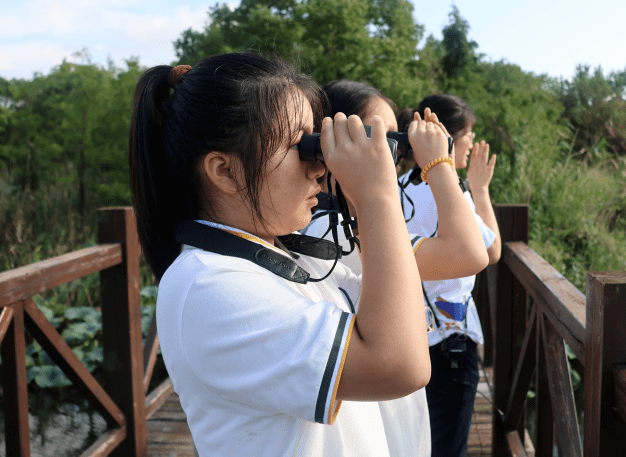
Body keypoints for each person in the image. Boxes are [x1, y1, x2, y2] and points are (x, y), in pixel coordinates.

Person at [128, 52, 436, 456]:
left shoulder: (286, 255)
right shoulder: (207, 286)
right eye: (300, 146)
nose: (319, 168)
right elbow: (400, 365)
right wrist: (378, 194)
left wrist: (366, 198)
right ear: (225, 171)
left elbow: (400, 320)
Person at [302, 80, 489, 457]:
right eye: (378, 139)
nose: (391, 154)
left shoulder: (349, 227)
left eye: (394, 142)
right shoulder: (332, 233)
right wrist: (439, 165)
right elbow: (471, 253)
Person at [398, 93, 501, 457]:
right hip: (449, 345)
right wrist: (480, 189)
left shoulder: (398, 188)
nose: (472, 143)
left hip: (408, 338)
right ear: (448, 137)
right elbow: (490, 251)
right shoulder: (448, 192)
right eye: (469, 134)